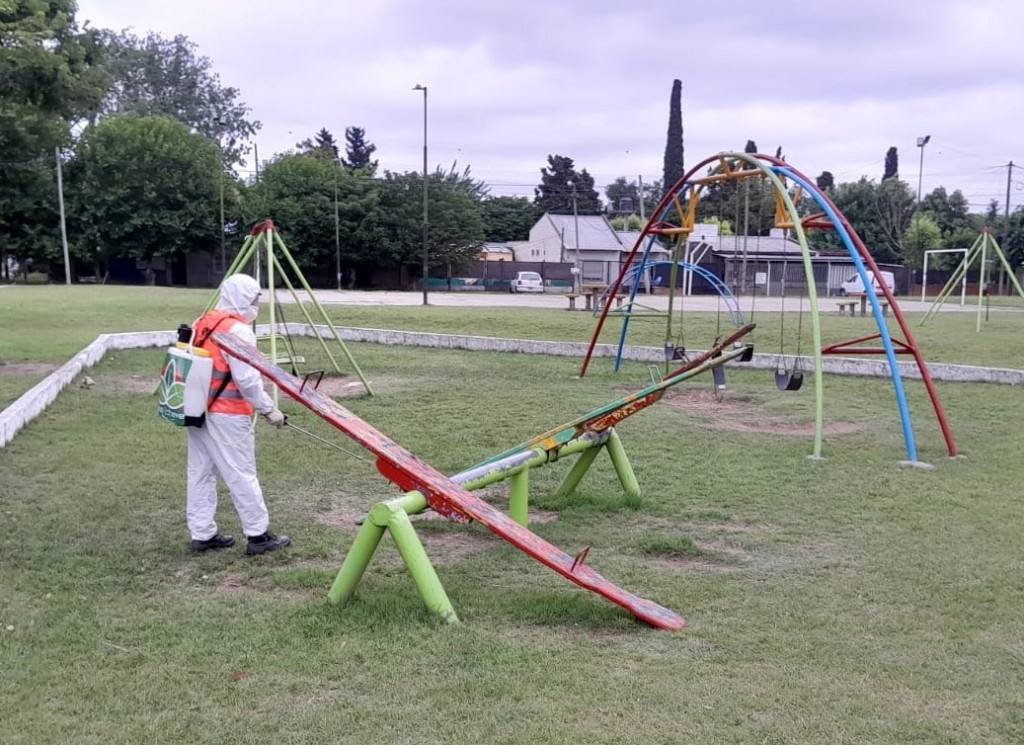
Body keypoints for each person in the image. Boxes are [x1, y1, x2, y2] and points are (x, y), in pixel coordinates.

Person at [186, 273, 291, 555]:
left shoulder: (202, 322)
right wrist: (269, 410)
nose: (257, 306)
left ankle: (202, 533)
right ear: (243, 299)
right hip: (228, 415)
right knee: (241, 472)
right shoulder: (239, 330)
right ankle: (258, 535)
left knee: (200, 472)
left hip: (196, 410)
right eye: (255, 300)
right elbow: (247, 380)